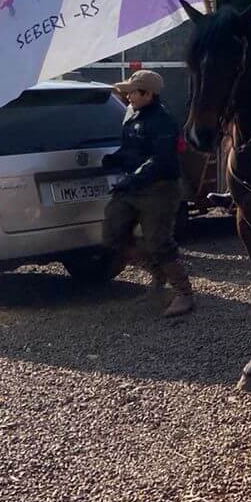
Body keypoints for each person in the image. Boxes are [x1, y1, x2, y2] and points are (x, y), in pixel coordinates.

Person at [102, 70, 195, 318]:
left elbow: (161, 160)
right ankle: (157, 270)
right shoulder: (131, 113)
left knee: (159, 241)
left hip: (159, 188)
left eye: (133, 91)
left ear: (148, 94)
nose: (128, 95)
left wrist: (132, 178)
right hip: (131, 185)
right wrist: (113, 160)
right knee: (112, 234)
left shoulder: (163, 120)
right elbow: (131, 148)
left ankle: (184, 293)